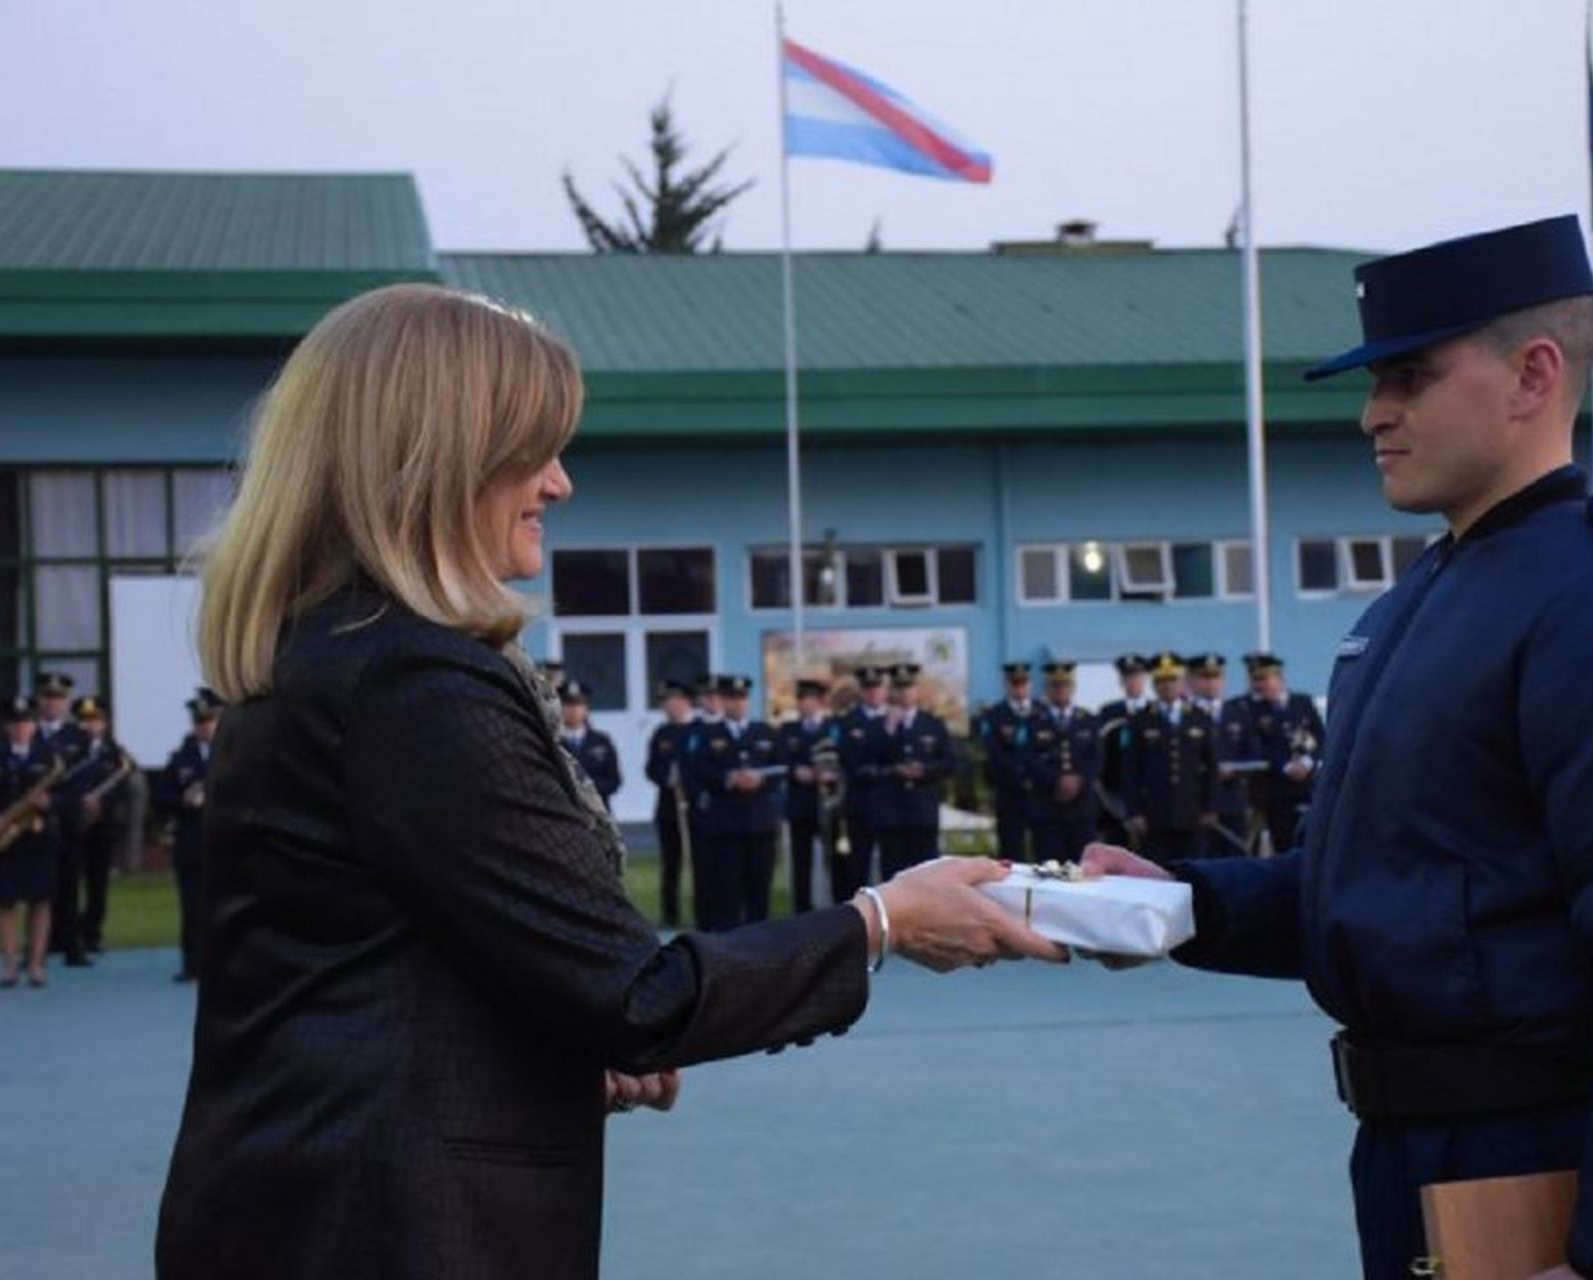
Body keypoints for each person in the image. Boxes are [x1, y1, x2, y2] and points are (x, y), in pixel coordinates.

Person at [154, 284, 1062, 1280]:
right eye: (532, 450)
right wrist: (884, 921)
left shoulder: (335, 652)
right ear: (435, 459)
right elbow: (636, 996)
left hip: (314, 1199)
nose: (560, 482)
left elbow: (386, 966)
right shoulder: (410, 678)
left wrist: (546, 1050)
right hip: (389, 1226)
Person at [1085, 216, 1593, 1279]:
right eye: (1377, 382)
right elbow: (1397, 889)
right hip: (1418, 1154)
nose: (1374, 412)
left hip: (1548, 1164)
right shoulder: (1426, 600)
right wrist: (1182, 902)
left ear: (1533, 374)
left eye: (1409, 377)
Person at [687, 675, 784, 931]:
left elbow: (781, 767)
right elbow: (699, 771)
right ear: (723, 701)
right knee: (727, 891)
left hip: (760, 823)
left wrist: (761, 780)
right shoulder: (708, 735)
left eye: (742, 698)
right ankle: (728, 943)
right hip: (726, 826)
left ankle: (760, 941)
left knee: (759, 890)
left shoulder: (765, 733)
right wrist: (729, 780)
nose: (738, 704)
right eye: (732, 698)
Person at [0, 695, 59, 988]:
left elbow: (68, 796)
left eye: (26, 722)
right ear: (7, 727)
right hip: (5, 837)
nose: (21, 729)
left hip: (39, 838)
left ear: (34, 725)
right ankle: (9, 966)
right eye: (15, 723)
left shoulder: (49, 758)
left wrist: (50, 802)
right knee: (6, 903)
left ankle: (36, 964)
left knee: (40, 901)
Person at [1121, 651, 1216, 864]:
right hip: (1154, 814)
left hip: (1192, 812)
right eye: (1161, 681)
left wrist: (1210, 807)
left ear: (1183, 682)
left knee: (1193, 870)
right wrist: (1134, 812)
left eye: (1173, 680)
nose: (1167, 686)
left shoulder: (1200, 717)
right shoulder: (1140, 720)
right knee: (1156, 870)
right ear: (1154, 684)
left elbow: (1211, 767)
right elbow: (1130, 771)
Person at [155, 689, 220, 984]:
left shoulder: (235, 752)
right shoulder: (181, 758)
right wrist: (183, 799)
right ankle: (192, 963)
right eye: (199, 721)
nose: (204, 727)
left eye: (209, 720)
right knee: (192, 907)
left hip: (225, 842)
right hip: (192, 843)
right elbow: (161, 796)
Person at [871, 663, 956, 879]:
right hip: (891, 813)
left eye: (908, 687)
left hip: (922, 812)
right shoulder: (878, 725)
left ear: (916, 690)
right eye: (899, 688)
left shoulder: (933, 724)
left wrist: (925, 770)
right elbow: (869, 761)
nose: (904, 693)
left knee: (926, 874)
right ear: (892, 692)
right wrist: (889, 731)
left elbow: (949, 762)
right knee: (892, 875)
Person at [1236, 653, 1325, 854]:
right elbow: (1255, 746)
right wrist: (1285, 766)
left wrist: (1308, 762)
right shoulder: (1249, 709)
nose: (1260, 685)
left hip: (1307, 787)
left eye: (1264, 679)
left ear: (1278, 677)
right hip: (1275, 790)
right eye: (1256, 680)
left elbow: (1321, 738)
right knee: (1283, 844)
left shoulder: (1302, 702)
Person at [32, 671, 92, 966]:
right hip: (33, 824)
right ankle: (38, 948)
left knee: (69, 884)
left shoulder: (79, 738)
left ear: (67, 702)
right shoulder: (28, 733)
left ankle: (72, 944)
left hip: (67, 821)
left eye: (58, 698)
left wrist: (54, 801)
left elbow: (83, 783)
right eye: (47, 697)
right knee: (37, 887)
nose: (52, 703)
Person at [68, 695, 132, 955]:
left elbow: (123, 787)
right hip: (73, 823)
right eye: (84, 720)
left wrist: (101, 804)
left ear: (104, 723)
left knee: (98, 882)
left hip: (103, 825)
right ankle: (68, 935)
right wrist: (79, 801)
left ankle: (92, 933)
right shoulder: (69, 750)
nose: (89, 725)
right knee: (70, 882)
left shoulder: (113, 752)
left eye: (95, 719)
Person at [1025, 661, 1101, 865]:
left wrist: (1079, 780)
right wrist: (1057, 780)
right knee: (1049, 869)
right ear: (1047, 689)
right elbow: (1029, 759)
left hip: (1082, 811)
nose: (1060, 690)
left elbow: (1097, 759)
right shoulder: (1033, 721)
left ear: (1072, 687)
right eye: (1054, 685)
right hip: (1047, 810)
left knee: (1084, 869)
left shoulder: (1088, 719)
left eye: (1064, 685)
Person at [779, 678, 840, 915]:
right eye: (801, 698)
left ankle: (837, 907)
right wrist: (796, 771)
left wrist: (831, 774)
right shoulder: (789, 730)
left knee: (834, 859)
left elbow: (844, 759)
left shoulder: (834, 728)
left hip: (829, 804)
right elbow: (781, 759)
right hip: (801, 804)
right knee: (801, 860)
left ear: (820, 701)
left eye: (809, 699)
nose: (804, 703)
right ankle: (802, 910)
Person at [1190, 653, 1257, 857]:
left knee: (1235, 857)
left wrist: (1234, 769)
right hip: (1196, 802)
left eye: (1216, 677)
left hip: (1232, 799)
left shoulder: (1238, 712)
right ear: (1192, 681)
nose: (1212, 683)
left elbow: (1253, 753)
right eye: (1205, 677)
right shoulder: (1185, 714)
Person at [643, 681, 696, 926]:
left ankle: (703, 909)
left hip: (695, 807)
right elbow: (651, 768)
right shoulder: (662, 733)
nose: (667, 706)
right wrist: (667, 777)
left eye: (671, 701)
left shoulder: (699, 729)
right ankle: (670, 913)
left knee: (700, 862)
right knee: (670, 863)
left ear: (685, 701)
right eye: (665, 702)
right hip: (668, 807)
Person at [977, 662, 1041, 863]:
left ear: (1030, 684)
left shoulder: (1042, 711)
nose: (1019, 689)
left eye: (1023, 683)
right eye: (1015, 684)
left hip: (1040, 793)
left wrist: (1036, 774)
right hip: (1009, 792)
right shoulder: (994, 715)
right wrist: (1019, 774)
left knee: (1045, 849)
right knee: (1011, 850)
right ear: (1007, 685)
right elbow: (994, 752)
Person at [834, 665, 889, 895]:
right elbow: (847, 759)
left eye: (877, 687)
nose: (873, 693)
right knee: (858, 866)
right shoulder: (847, 722)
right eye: (868, 688)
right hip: (860, 802)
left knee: (893, 868)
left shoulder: (895, 719)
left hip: (891, 804)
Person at [1094, 653, 1151, 847]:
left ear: (1144, 678)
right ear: (1121, 681)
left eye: (1136, 676)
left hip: (1148, 795)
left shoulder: (1153, 711)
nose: (1132, 681)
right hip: (1115, 795)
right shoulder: (1109, 712)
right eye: (1127, 677)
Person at [557, 679, 621, 811]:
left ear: (586, 708)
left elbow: (614, 781)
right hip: (565, 810)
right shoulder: (554, 741)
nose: (573, 710)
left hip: (597, 811)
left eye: (578, 704)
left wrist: (588, 788)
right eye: (568, 704)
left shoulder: (601, 741)